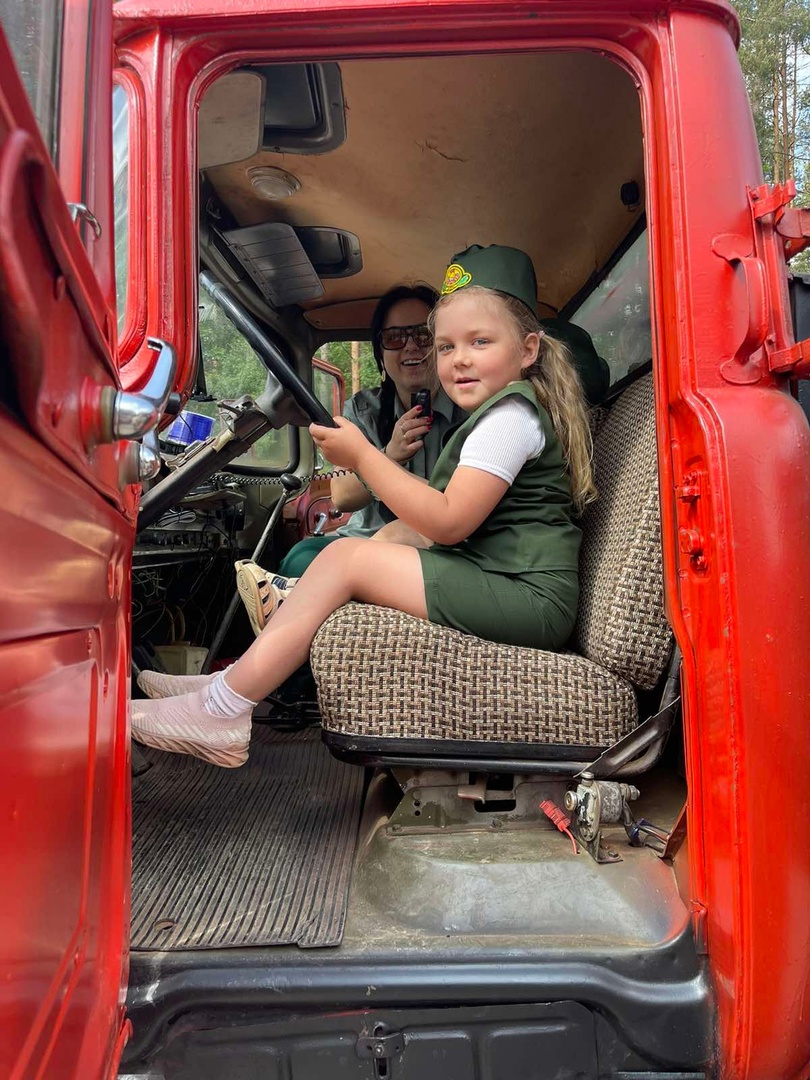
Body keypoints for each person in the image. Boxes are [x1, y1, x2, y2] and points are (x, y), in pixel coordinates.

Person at [132, 244, 596, 768]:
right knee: (379, 541)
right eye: (446, 346)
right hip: (507, 580)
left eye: (480, 341)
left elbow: (448, 522)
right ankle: (230, 683)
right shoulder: (497, 413)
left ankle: (223, 710)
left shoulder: (508, 419)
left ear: (529, 349)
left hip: (531, 600)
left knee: (345, 558)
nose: (459, 358)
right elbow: (432, 522)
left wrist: (362, 455)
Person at [230, 283, 465, 636]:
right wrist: (389, 456)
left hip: (439, 548)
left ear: (442, 344)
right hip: (364, 537)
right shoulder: (363, 409)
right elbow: (341, 497)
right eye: (394, 338)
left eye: (423, 334)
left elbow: (458, 509)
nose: (410, 346)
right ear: (380, 353)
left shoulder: (469, 411)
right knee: (301, 558)